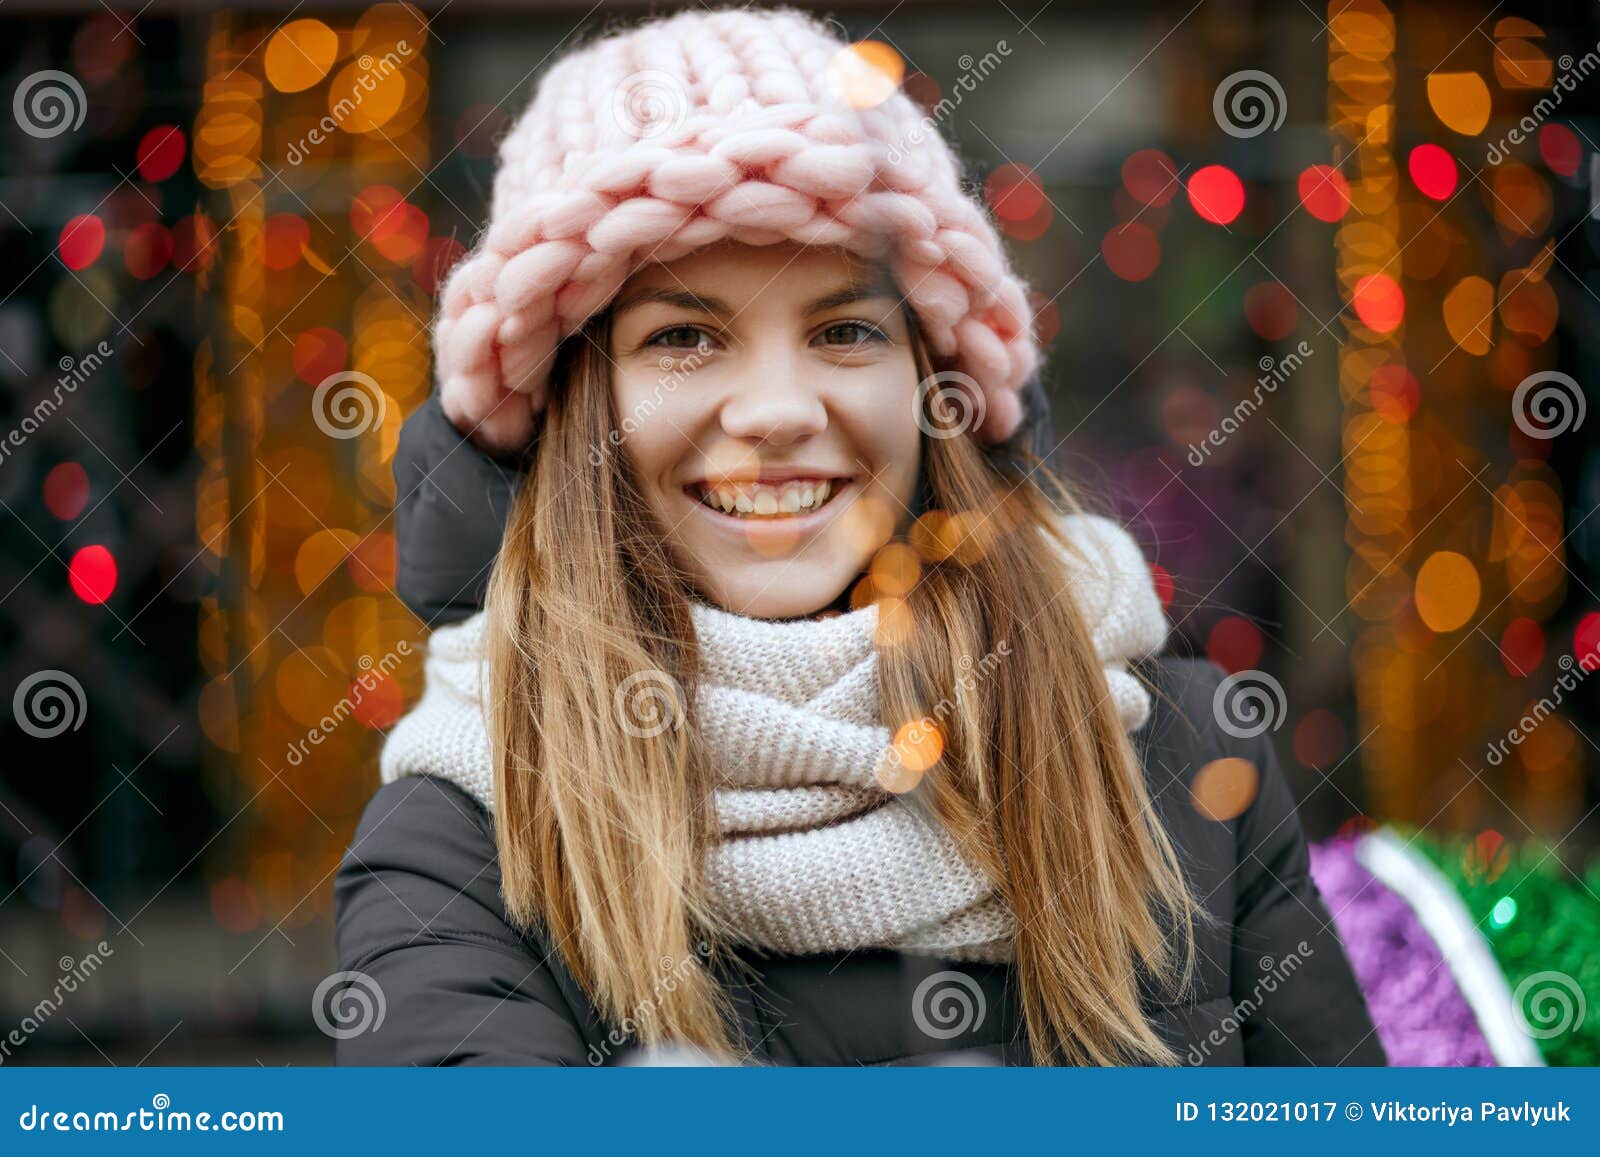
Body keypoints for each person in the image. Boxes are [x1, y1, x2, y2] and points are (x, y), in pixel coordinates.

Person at [332, 5, 1383, 1067]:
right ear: (568, 409)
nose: (777, 410)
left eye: (844, 330)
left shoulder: (1186, 756)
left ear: (938, 385)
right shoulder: (462, 831)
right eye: (683, 336)